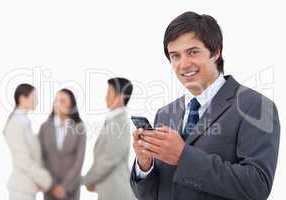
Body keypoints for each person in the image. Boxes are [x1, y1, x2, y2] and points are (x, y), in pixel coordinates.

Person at [130, 11, 280, 200]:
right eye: (175, 56)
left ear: (216, 51)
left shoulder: (256, 106)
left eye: (192, 52)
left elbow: (257, 186)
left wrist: (183, 156)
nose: (183, 64)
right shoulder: (165, 114)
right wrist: (145, 165)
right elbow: (150, 195)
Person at [81, 77, 135, 200]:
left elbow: (110, 158)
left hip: (117, 192)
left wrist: (87, 180)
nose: (105, 97)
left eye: (109, 93)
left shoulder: (119, 122)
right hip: (109, 189)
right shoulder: (113, 120)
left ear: (120, 97)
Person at [4, 83, 52, 200]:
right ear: (22, 99)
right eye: (34, 97)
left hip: (28, 187)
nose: (37, 101)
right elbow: (23, 160)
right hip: (21, 188)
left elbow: (33, 156)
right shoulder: (17, 122)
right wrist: (45, 179)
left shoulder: (24, 121)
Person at [39, 88, 86, 200]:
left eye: (62, 101)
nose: (58, 104)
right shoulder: (45, 127)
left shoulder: (79, 127)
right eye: (56, 100)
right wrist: (52, 185)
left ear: (71, 104)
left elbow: (79, 160)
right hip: (50, 188)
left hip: (71, 189)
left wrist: (64, 187)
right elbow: (41, 157)